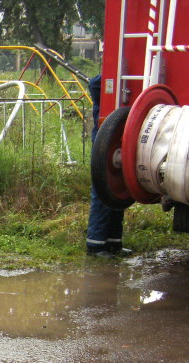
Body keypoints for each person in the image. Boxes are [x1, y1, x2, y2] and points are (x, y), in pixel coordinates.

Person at [86, 74, 129, 258]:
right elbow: (94, 83)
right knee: (103, 192)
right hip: (104, 144)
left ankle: (114, 242)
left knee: (118, 192)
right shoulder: (103, 81)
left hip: (118, 140)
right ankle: (95, 245)